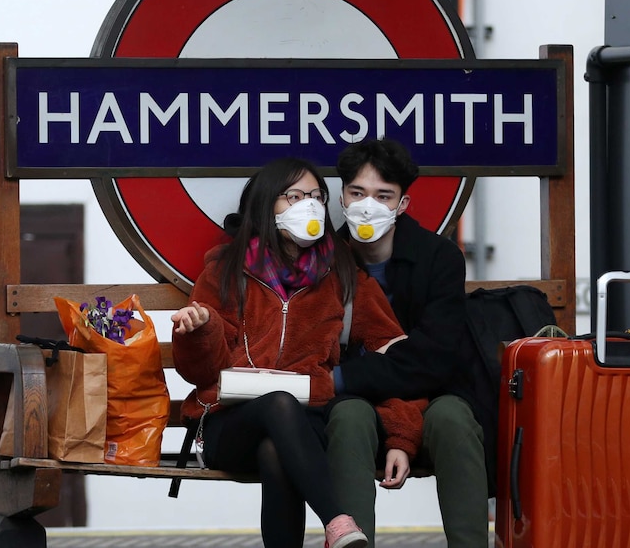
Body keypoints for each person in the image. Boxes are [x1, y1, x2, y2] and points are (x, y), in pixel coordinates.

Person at [171, 157, 425, 548]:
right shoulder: (226, 270)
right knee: (278, 404)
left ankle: (336, 526)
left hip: (307, 426)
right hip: (229, 422)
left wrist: (401, 436)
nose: (308, 205)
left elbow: (393, 357)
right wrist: (199, 331)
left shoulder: (342, 272)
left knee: (277, 448)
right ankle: (338, 521)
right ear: (265, 204)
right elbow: (201, 374)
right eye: (293, 196)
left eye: (315, 196)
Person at [326, 138, 490, 548]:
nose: (368, 206)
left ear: (403, 204)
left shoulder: (438, 258)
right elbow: (318, 347)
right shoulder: (322, 260)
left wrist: (348, 374)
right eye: (358, 193)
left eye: (384, 196)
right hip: (354, 406)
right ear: (341, 196)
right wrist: (394, 358)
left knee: (453, 418)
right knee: (348, 418)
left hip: (432, 399)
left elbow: (435, 360)